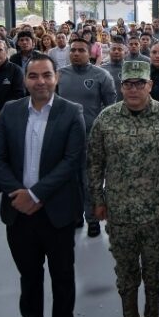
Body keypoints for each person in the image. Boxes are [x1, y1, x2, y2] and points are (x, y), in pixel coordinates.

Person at [88, 60, 159, 317]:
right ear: (121, 87)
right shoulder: (106, 119)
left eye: (139, 83)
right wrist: (97, 200)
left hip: (156, 212)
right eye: (128, 84)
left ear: (150, 85)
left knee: (154, 268)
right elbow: (94, 162)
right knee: (126, 269)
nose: (133, 89)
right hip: (119, 210)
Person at [0, 54, 86, 317]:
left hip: (56, 210)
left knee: (62, 275)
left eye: (46, 75)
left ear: (57, 78)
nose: (40, 81)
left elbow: (72, 161)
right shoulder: (10, 110)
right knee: (28, 275)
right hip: (19, 211)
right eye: (33, 76)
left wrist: (36, 194)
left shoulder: (71, 112)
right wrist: (19, 194)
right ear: (25, 79)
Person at [56, 36, 117, 239]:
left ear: (89, 53)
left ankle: (92, 219)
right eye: (73, 50)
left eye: (81, 50)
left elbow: (110, 108)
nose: (76, 53)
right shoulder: (59, 75)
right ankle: (75, 215)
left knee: (90, 180)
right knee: (70, 179)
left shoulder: (101, 75)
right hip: (65, 137)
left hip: (92, 136)